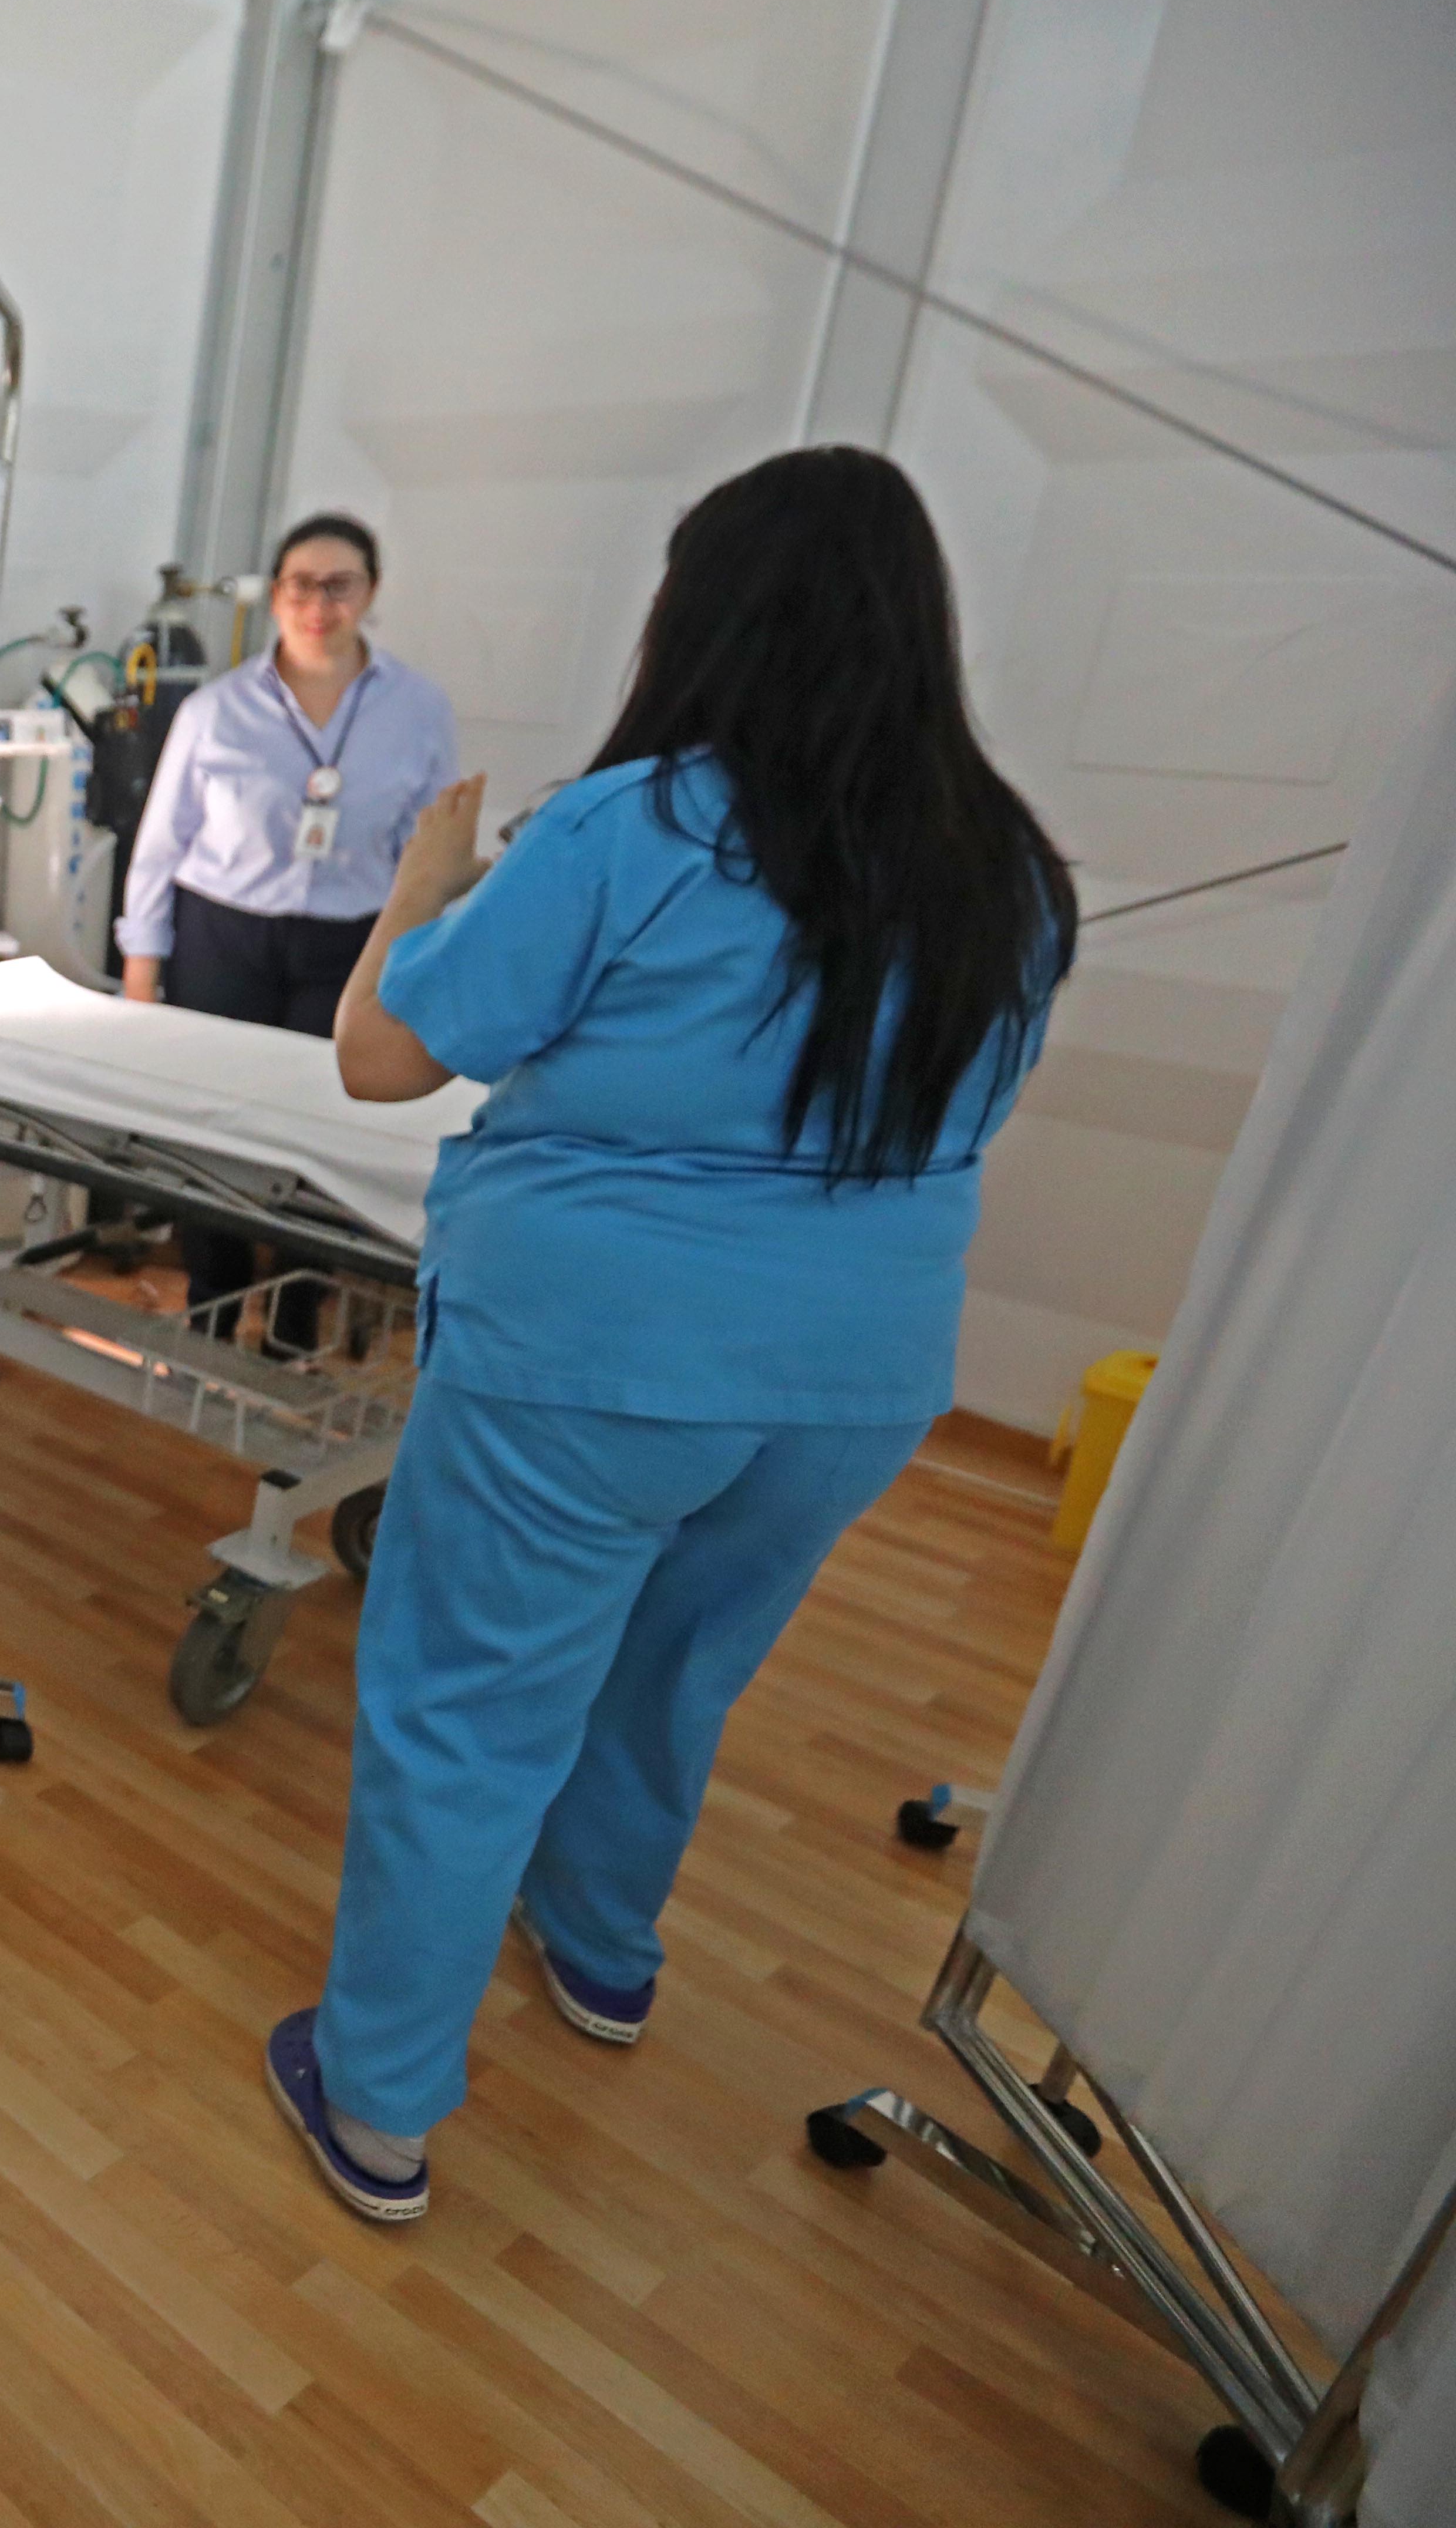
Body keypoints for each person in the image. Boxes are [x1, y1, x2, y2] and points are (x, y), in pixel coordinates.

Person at [263, 446, 1075, 2224]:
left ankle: (380, 2104)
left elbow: (383, 1056)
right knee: (678, 1666)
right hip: (855, 1378)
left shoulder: (633, 829)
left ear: (701, 615)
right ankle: (602, 1953)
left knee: (471, 1714)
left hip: (594, 1361)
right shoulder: (1007, 872)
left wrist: (426, 879)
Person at [117, 513, 461, 1344]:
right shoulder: (216, 709)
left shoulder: (418, 709)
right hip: (223, 934)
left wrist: (420, 966)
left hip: (350, 944)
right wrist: (140, 978)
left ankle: (296, 1317)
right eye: (301, 585)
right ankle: (212, 1304)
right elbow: (160, 845)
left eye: (340, 585)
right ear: (275, 596)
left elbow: (429, 854)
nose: (319, 605)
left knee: (324, 1128)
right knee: (211, 1124)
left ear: (370, 594)